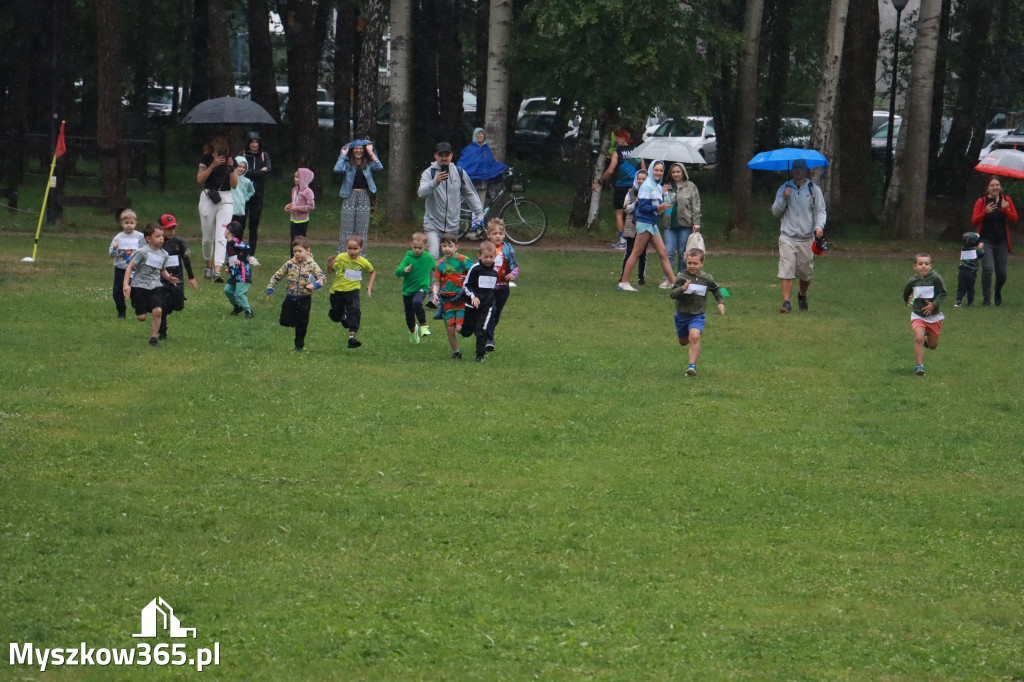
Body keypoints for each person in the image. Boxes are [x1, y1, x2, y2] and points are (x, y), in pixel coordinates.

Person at [771, 158, 826, 313]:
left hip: (807, 237)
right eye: (795, 167)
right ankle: (786, 302)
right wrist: (784, 199)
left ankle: (802, 295)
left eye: (800, 167)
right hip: (787, 236)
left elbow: (821, 211)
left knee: (805, 272)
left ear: (806, 170)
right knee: (786, 269)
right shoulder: (784, 188)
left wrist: (819, 227)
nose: (797, 170)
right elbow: (775, 212)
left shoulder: (813, 189)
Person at [418, 142, 484, 259]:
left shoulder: (459, 172)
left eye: (446, 155)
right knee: (433, 255)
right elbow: (421, 193)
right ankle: (432, 278)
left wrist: (479, 212)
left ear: (451, 156)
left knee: (449, 258)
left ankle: (446, 278)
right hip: (433, 223)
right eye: (441, 155)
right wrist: (435, 182)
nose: (444, 158)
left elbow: (470, 194)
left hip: (452, 225)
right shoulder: (429, 173)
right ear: (435, 156)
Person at [617, 160, 675, 292]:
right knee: (636, 252)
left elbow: (658, 207)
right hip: (644, 223)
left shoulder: (658, 186)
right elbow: (642, 207)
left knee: (663, 252)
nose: (658, 173)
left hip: (652, 223)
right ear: (651, 170)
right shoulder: (647, 185)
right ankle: (623, 282)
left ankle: (674, 283)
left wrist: (662, 206)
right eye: (656, 170)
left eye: (661, 170)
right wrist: (657, 207)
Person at [669, 248, 725, 377]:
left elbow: (716, 289)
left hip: (697, 315)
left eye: (695, 263)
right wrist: (682, 289)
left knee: (694, 336)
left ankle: (691, 366)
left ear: (702, 263)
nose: (692, 266)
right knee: (683, 342)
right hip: (682, 315)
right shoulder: (682, 277)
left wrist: (720, 302)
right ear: (686, 262)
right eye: (689, 263)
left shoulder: (707, 278)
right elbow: (672, 294)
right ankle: (687, 339)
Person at [122, 223, 179, 347]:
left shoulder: (164, 254)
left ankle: (153, 339)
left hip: (155, 286)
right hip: (139, 287)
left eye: (162, 236)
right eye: (157, 236)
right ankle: (144, 306)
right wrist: (126, 284)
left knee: (158, 311)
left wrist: (169, 278)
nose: (161, 239)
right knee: (141, 317)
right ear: (148, 239)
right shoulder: (141, 252)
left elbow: (162, 270)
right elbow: (130, 267)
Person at [266, 236, 326, 352]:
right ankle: (294, 322)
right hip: (290, 297)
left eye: (300, 251)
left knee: (302, 324)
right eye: (295, 251)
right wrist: (270, 288)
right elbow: (277, 276)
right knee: (284, 320)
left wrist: (315, 285)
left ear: (308, 251)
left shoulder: (312, 265)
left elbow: (322, 277)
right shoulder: (290, 264)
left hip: (304, 299)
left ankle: (299, 346)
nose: (297, 254)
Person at [196, 133, 238, 282]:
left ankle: (218, 269)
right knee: (207, 236)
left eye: (223, 141)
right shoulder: (206, 159)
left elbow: (234, 185)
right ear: (212, 143)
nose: (221, 145)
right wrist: (213, 165)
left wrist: (231, 168)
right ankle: (208, 264)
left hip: (225, 198)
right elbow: (200, 179)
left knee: (221, 235)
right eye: (218, 141)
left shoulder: (231, 161)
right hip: (208, 197)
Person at [970, 176, 1018, 306]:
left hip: (1002, 242)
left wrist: (1006, 209)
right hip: (986, 241)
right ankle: (986, 300)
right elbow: (974, 221)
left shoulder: (1006, 200)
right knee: (987, 268)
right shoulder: (982, 201)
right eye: (992, 185)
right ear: (988, 188)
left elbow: (1014, 219)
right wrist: (985, 212)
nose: (995, 187)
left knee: (1002, 273)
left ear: (1000, 187)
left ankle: (997, 291)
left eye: (997, 185)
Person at [334, 140, 383, 254]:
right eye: (356, 148)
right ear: (352, 150)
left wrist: (371, 153)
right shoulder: (347, 164)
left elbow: (380, 167)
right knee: (346, 229)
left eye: (361, 148)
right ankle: (342, 256)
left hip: (364, 196)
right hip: (349, 196)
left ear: (364, 150)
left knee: (362, 230)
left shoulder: (369, 163)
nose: (358, 150)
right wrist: (343, 155)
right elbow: (337, 169)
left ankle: (361, 257)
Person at [593, 129, 639, 249]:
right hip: (635, 187)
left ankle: (623, 241)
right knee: (633, 213)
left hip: (620, 187)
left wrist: (599, 182)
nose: (616, 140)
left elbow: (611, 170)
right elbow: (643, 170)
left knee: (619, 213)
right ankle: (634, 241)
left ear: (623, 138)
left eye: (618, 137)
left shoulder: (617, 153)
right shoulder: (637, 151)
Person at [326, 235, 375, 349]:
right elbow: (330, 271)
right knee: (335, 316)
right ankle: (342, 317)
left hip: (353, 291)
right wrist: (329, 265)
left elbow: (372, 271)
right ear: (346, 247)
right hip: (337, 291)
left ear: (361, 248)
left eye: (355, 249)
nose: (352, 251)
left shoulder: (363, 262)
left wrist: (370, 285)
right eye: (349, 248)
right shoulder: (341, 257)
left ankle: (352, 337)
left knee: (355, 310)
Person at [430, 232, 473, 359]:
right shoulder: (439, 264)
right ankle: (456, 352)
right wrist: (434, 294)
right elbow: (436, 282)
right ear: (441, 247)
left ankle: (472, 328)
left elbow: (474, 272)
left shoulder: (463, 260)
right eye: (444, 246)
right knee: (450, 329)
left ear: (456, 247)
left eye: (450, 246)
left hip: (461, 299)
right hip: (447, 300)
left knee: (459, 329)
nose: (447, 249)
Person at [903, 253, 947, 376]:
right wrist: (909, 302)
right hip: (918, 316)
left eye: (926, 264)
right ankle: (919, 366)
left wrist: (933, 305)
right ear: (915, 266)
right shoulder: (913, 281)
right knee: (918, 338)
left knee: (932, 345)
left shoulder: (935, 278)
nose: (923, 266)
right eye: (920, 264)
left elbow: (943, 293)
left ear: (930, 266)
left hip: (934, 317)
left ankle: (927, 339)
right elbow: (906, 294)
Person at [158, 214, 198, 340]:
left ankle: (168, 307)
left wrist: (191, 277)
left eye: (173, 228)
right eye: (168, 229)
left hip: (177, 277)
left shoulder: (179, 243)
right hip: (162, 278)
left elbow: (186, 260)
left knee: (178, 305)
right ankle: (162, 331)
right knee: (162, 305)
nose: (172, 231)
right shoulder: (157, 243)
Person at [661, 162, 702, 288]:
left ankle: (682, 278)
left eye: (678, 172)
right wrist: (661, 194)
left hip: (685, 224)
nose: (676, 174)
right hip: (669, 224)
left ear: (683, 172)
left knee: (683, 253)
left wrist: (696, 222)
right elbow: (660, 205)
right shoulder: (667, 187)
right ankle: (668, 279)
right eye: (673, 172)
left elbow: (696, 205)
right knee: (668, 252)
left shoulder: (691, 187)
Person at [457, 127, 508, 222]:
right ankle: (471, 228)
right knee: (472, 206)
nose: (480, 136)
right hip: (471, 182)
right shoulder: (470, 149)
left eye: (482, 134)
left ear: (484, 136)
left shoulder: (486, 149)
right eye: (478, 134)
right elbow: (464, 163)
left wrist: (502, 167)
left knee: (480, 206)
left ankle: (477, 228)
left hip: (482, 182)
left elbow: (490, 163)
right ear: (474, 136)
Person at [460, 241, 500, 363]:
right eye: (485, 257)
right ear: (479, 256)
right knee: (465, 332)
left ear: (495, 257)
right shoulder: (475, 269)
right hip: (471, 306)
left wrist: (490, 302)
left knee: (481, 330)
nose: (488, 260)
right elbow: (466, 285)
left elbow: (492, 290)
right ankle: (470, 328)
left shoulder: (495, 273)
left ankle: (480, 355)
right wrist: (473, 297)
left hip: (486, 307)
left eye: (491, 257)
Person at [483, 218, 518, 352]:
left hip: (503, 288)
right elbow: (478, 266)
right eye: (494, 233)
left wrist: (512, 275)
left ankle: (486, 333)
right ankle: (489, 339)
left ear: (504, 234)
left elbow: (515, 267)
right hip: (488, 287)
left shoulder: (508, 249)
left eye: (500, 233)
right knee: (492, 311)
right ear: (488, 235)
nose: (498, 236)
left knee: (496, 315)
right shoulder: (484, 249)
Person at [395, 231, 436, 343]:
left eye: (420, 248)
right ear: (411, 245)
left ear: (426, 246)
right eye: (415, 247)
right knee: (409, 316)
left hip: (422, 287)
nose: (417, 250)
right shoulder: (408, 258)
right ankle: (413, 331)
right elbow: (397, 273)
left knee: (417, 302)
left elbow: (437, 268)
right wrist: (403, 270)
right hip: (408, 291)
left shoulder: (428, 258)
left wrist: (448, 273)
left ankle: (423, 325)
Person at [242, 131, 271, 263]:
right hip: (242, 196)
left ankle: (251, 254)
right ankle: (238, 253)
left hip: (257, 195)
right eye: (252, 142)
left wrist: (251, 173)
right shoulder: (242, 155)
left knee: (253, 225)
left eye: (256, 142)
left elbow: (267, 171)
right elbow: (240, 171)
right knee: (240, 225)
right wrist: (257, 172)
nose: (254, 145)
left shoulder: (264, 156)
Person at [108, 209, 141, 318]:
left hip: (134, 269)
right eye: (126, 223)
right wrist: (115, 248)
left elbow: (146, 250)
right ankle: (121, 311)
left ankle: (136, 305)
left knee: (133, 289)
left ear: (135, 224)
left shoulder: (140, 237)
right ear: (122, 224)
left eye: (131, 223)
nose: (129, 225)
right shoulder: (118, 237)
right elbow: (111, 254)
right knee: (117, 292)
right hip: (120, 269)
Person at [620, 169, 650, 288]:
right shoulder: (631, 192)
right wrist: (635, 204)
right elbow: (626, 208)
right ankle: (623, 276)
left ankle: (641, 278)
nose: (641, 181)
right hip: (631, 225)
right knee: (629, 251)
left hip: (644, 225)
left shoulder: (650, 192)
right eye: (639, 179)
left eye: (644, 179)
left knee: (642, 253)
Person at [223, 221, 254, 319]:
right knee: (228, 290)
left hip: (242, 273)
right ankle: (238, 306)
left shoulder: (235, 241)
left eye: (226, 229)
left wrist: (240, 260)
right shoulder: (229, 243)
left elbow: (247, 249)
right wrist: (228, 267)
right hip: (234, 273)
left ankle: (249, 312)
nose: (224, 231)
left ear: (229, 231)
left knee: (240, 293)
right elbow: (231, 257)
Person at [285, 168, 316, 253]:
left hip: (302, 221)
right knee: (293, 242)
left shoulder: (308, 192)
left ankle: (301, 260)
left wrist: (297, 208)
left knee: (301, 243)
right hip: (293, 220)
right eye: (295, 177)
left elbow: (311, 206)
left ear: (304, 179)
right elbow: (294, 202)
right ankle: (293, 261)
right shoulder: (294, 189)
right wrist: (289, 206)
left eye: (298, 177)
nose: (295, 179)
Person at [954, 231, 984, 308]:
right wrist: (980, 244)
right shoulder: (976, 251)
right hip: (971, 272)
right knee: (970, 288)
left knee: (961, 287)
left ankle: (958, 301)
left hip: (962, 271)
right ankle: (970, 302)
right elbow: (982, 253)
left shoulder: (963, 249)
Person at [229, 157, 256, 237]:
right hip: (230, 209)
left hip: (240, 210)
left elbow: (252, 191)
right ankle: (227, 249)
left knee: (238, 232)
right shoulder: (229, 178)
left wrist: (245, 198)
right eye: (239, 166)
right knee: (229, 232)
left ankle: (238, 249)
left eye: (244, 167)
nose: (241, 169)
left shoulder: (247, 181)